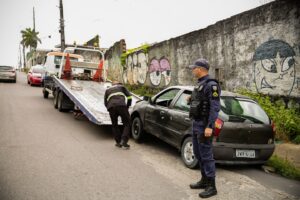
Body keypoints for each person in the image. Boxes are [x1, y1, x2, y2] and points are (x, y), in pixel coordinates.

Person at [187, 58, 221, 198]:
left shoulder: (212, 85)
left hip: (204, 125)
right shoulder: (200, 84)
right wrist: (191, 99)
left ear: (200, 69)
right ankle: (204, 180)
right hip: (196, 123)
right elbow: (202, 101)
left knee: (206, 156)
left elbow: (215, 107)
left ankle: (212, 187)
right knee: (198, 153)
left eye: (194, 68)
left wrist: (210, 126)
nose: (192, 70)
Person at [104, 81, 132, 149]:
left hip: (111, 107)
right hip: (121, 105)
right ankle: (124, 141)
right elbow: (129, 97)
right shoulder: (122, 87)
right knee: (127, 123)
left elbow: (105, 102)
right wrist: (127, 106)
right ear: (119, 84)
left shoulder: (108, 90)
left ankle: (118, 142)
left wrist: (109, 108)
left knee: (114, 125)